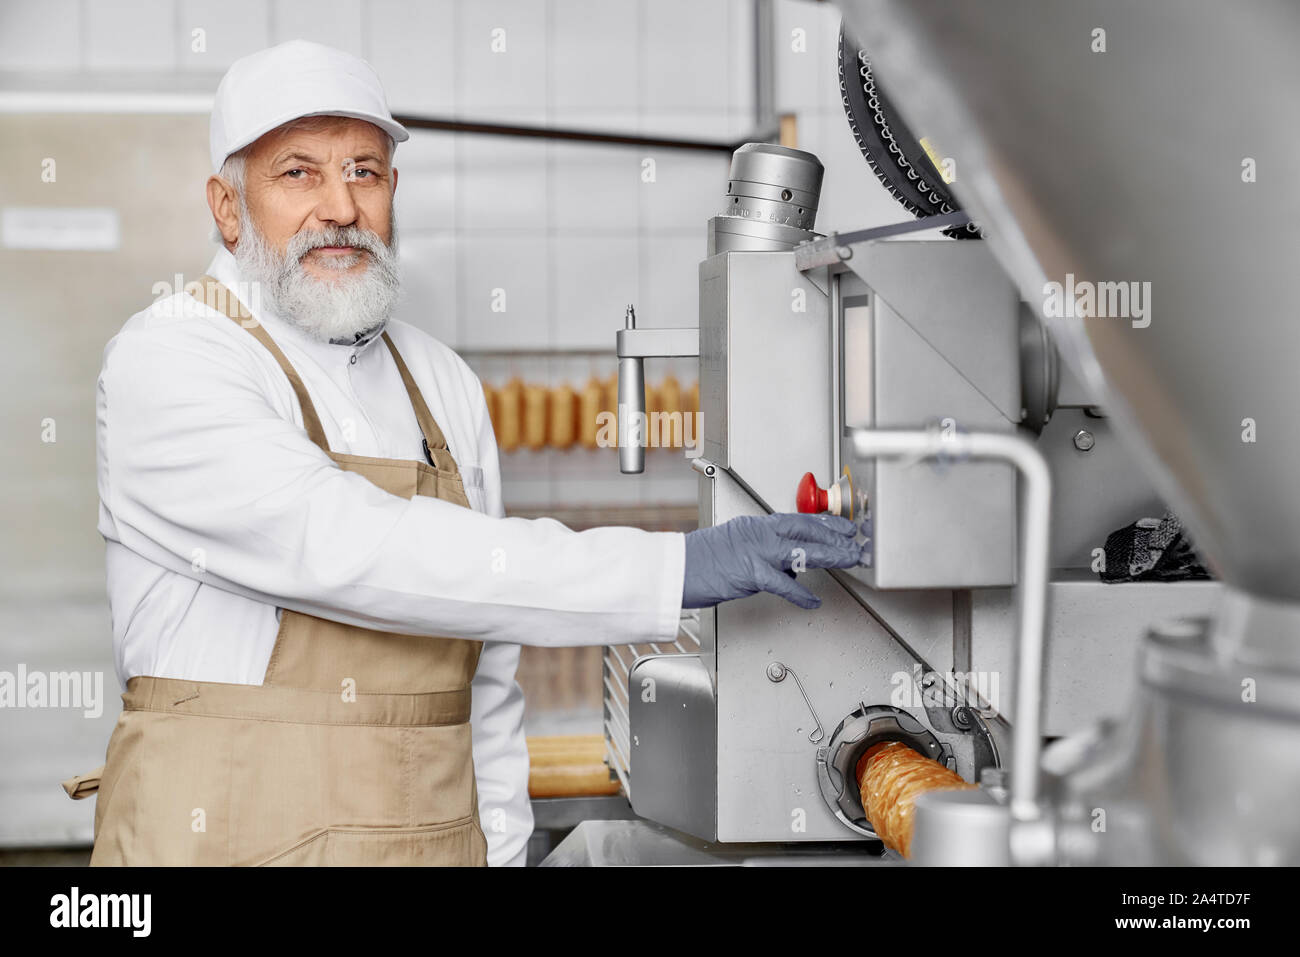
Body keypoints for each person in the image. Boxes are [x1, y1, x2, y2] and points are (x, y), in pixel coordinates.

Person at [63, 40, 863, 867]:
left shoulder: (438, 380)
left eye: (364, 172)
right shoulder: (172, 358)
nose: (339, 206)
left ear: (394, 192)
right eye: (298, 173)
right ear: (227, 207)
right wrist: (673, 570)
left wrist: (505, 852)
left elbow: (488, 670)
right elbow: (348, 546)